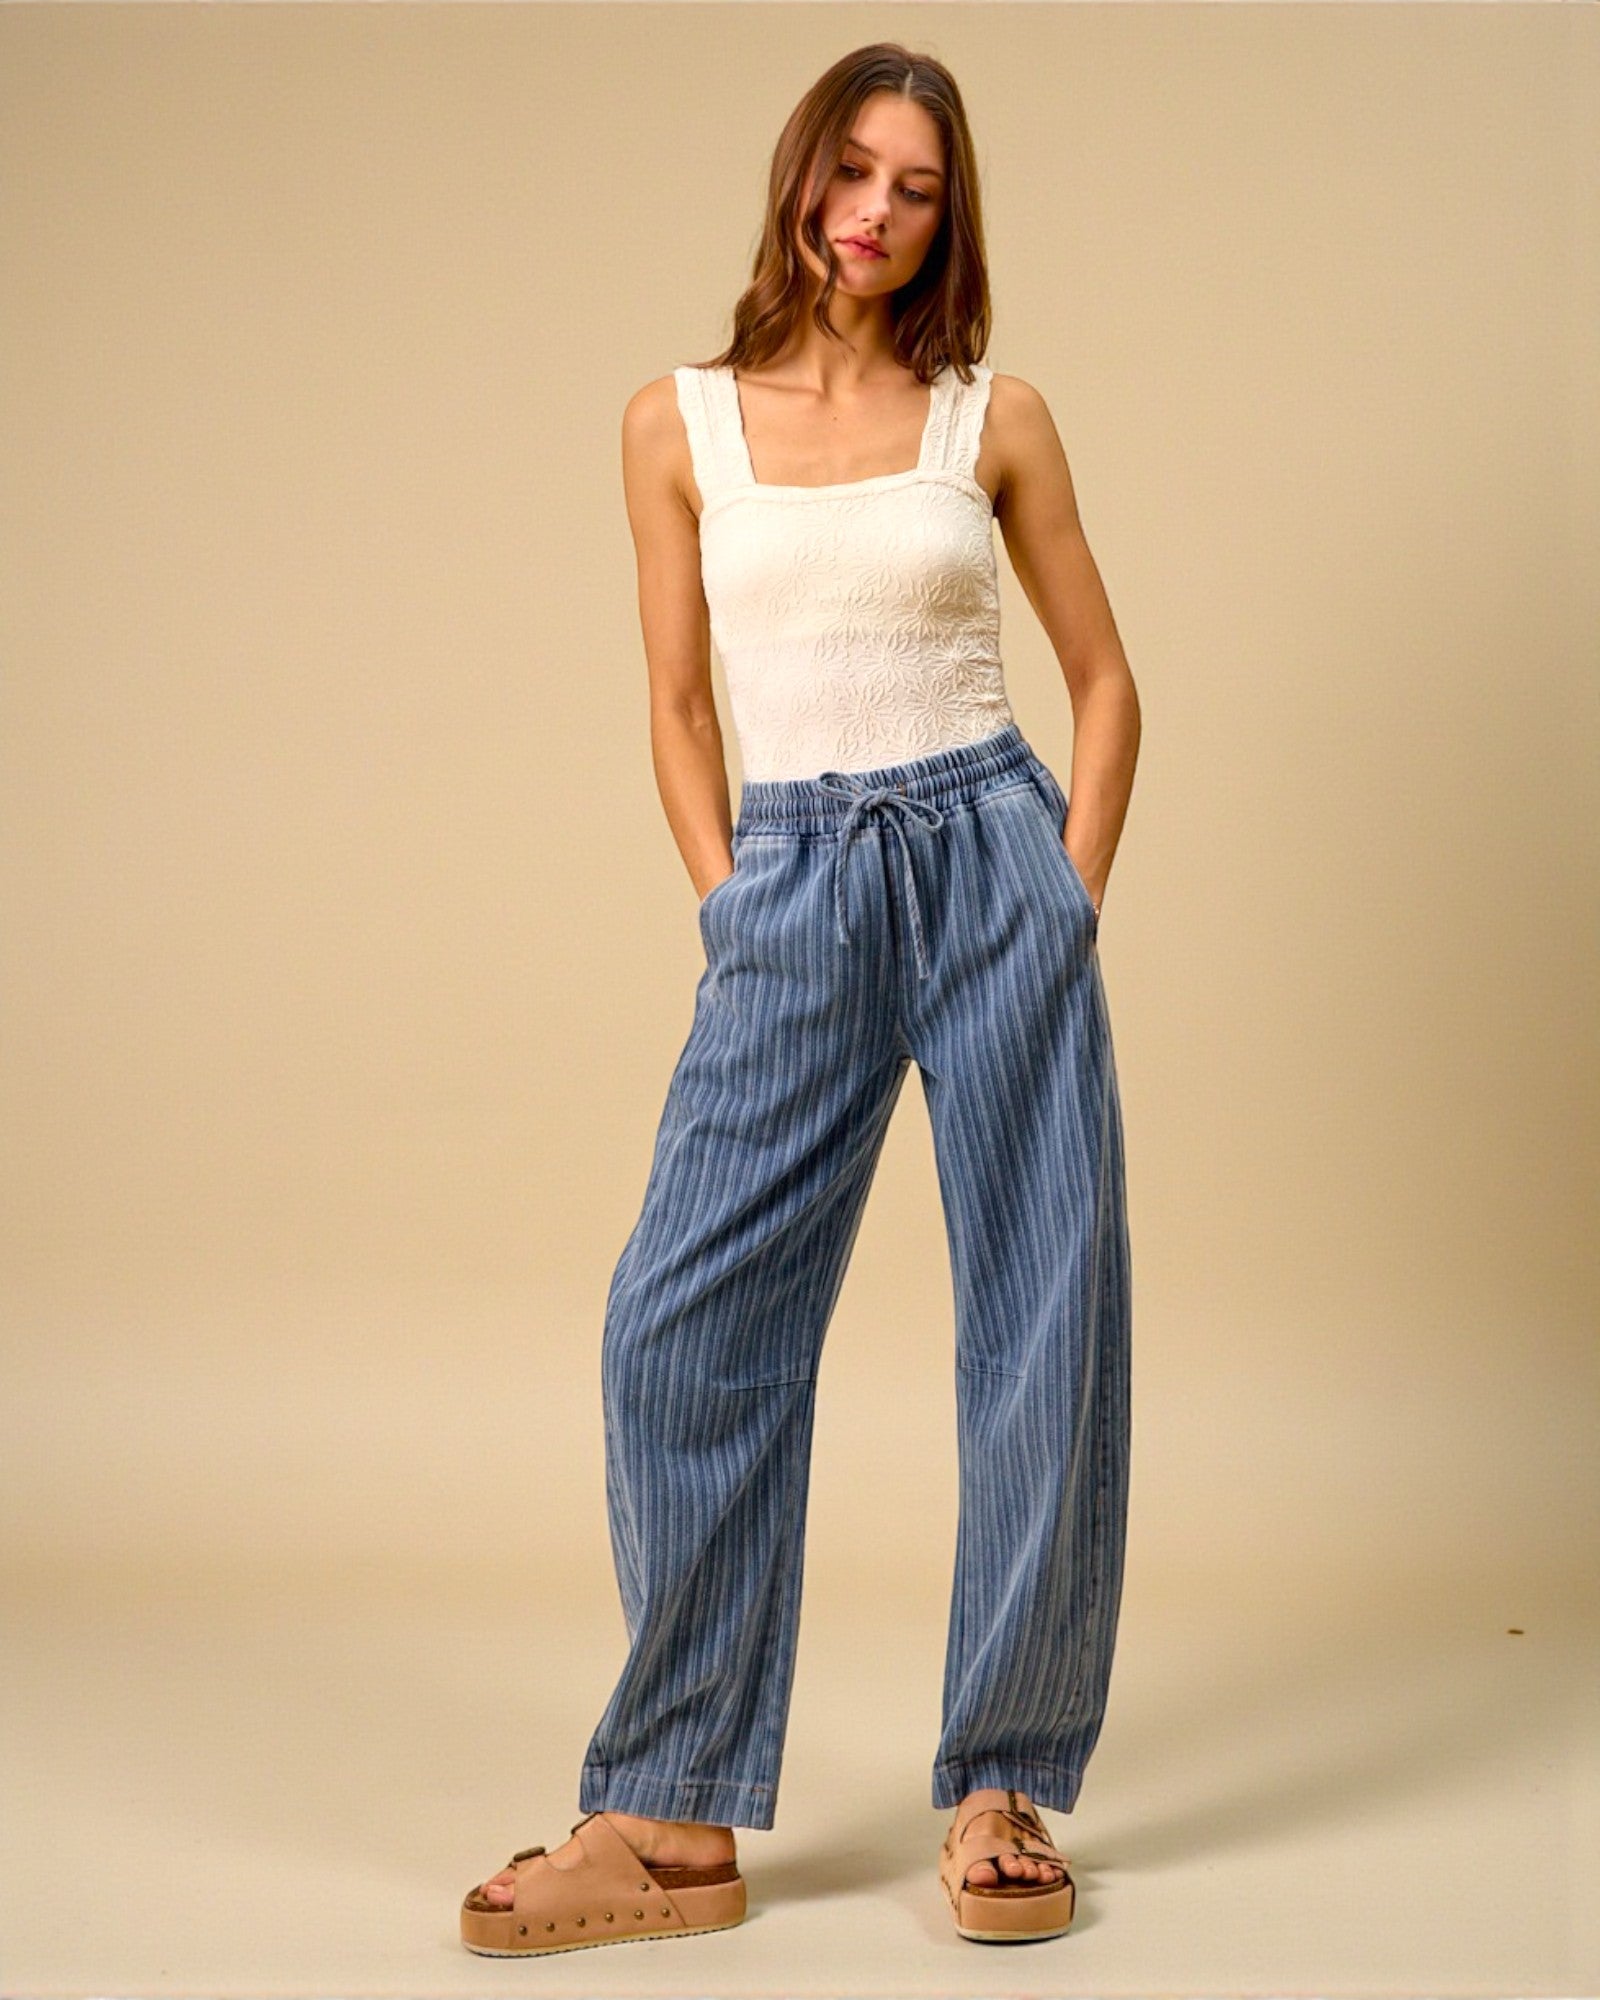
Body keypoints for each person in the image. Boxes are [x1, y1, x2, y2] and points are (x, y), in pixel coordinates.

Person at [461, 39, 1139, 1958]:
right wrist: (733, 903)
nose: (876, 209)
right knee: (681, 1320)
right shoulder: (675, 424)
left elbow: (1106, 684)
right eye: (854, 168)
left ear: (949, 216)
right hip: (793, 883)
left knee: (1040, 1320)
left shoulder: (990, 421)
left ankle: (1000, 1781)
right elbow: (678, 709)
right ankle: (673, 1814)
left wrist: (1060, 903)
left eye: (917, 186)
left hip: (991, 853)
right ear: (800, 176)